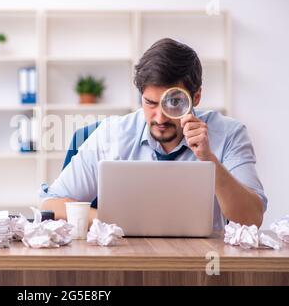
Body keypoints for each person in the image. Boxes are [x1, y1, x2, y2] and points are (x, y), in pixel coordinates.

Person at [40, 38, 266, 230]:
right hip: (126, 264)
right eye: (150, 103)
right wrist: (111, 223)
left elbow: (252, 220)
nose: (160, 118)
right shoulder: (111, 134)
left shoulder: (230, 134)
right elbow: (51, 205)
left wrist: (209, 160)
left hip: (202, 267)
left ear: (196, 97)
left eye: (174, 102)